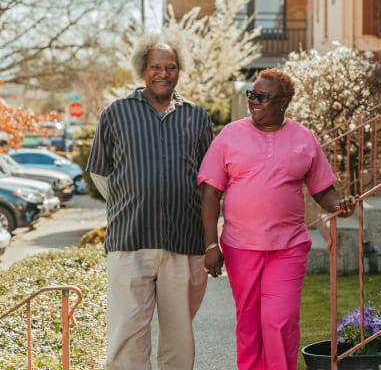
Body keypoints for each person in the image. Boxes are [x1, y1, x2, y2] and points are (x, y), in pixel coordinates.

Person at [197, 68, 357, 370]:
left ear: (283, 102)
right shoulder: (230, 135)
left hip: (288, 246)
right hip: (241, 247)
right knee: (249, 324)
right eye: (251, 95)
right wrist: (210, 245)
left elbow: (323, 190)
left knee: (279, 321)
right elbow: (210, 192)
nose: (253, 101)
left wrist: (340, 204)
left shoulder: (303, 138)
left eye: (262, 97)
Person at [86, 34, 213, 370]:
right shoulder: (116, 113)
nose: (163, 73)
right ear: (143, 69)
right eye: (156, 66)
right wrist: (132, 201)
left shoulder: (197, 117)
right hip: (130, 240)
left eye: (171, 67)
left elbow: (209, 181)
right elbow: (100, 173)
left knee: (179, 335)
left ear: (179, 71)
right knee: (127, 330)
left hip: (183, 241)